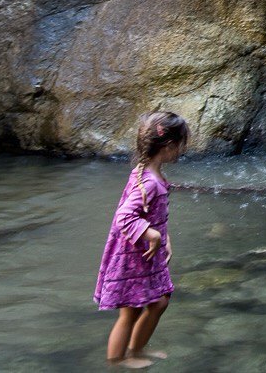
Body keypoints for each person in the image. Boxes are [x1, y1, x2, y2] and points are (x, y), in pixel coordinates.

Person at [96, 110, 189, 368]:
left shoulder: (147, 173)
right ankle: (117, 360)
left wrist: (164, 236)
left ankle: (136, 350)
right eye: (180, 145)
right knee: (131, 310)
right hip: (133, 255)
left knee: (159, 301)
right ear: (169, 146)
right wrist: (153, 234)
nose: (181, 150)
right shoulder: (148, 182)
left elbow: (151, 214)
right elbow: (124, 217)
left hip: (143, 253)